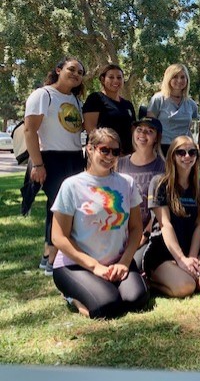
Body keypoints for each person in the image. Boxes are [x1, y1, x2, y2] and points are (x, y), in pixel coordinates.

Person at [50, 128, 149, 318]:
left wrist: (125, 263)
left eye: (115, 152)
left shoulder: (126, 183)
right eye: (104, 150)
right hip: (76, 265)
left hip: (116, 261)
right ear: (90, 149)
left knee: (136, 299)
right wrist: (95, 267)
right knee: (106, 306)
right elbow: (58, 237)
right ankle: (71, 296)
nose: (110, 156)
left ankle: (106, 284)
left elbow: (136, 228)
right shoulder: (71, 185)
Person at [24, 56, 86, 276]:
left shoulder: (77, 101)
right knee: (60, 207)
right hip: (51, 158)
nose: (76, 74)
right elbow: (30, 131)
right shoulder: (43, 95)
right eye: (72, 69)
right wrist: (38, 164)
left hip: (75, 158)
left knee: (63, 207)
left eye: (80, 72)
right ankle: (53, 260)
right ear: (59, 69)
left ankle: (47, 255)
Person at [143, 137, 200, 297]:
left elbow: (199, 224)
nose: (187, 156)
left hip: (190, 248)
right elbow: (165, 224)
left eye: (192, 152)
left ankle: (180, 272)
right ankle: (151, 281)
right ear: (172, 156)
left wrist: (192, 257)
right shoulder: (159, 183)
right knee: (186, 286)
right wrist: (181, 259)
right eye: (181, 152)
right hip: (163, 252)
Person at [117, 117, 166, 270]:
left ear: (157, 137)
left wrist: (143, 236)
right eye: (139, 130)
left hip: (149, 233)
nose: (143, 134)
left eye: (149, 131)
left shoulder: (163, 167)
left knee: (135, 266)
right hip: (120, 232)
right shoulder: (119, 163)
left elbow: (160, 211)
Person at [83, 64, 136, 155]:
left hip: (127, 156)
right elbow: (91, 129)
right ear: (103, 80)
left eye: (119, 77)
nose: (116, 80)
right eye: (111, 77)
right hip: (104, 154)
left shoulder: (128, 105)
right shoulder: (96, 98)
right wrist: (108, 149)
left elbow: (133, 130)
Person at [147, 63, 198, 156]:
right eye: (175, 77)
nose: (179, 80)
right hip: (162, 148)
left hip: (184, 150)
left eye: (183, 77)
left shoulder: (191, 104)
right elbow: (150, 127)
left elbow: (190, 129)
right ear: (168, 78)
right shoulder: (158, 99)